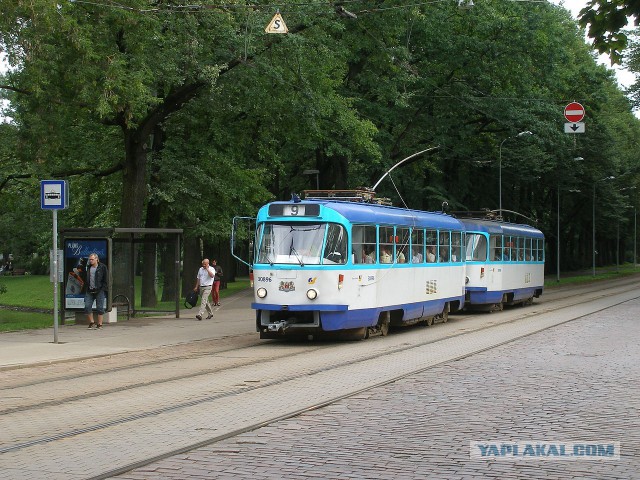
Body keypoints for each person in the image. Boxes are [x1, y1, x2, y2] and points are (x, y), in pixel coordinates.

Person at [82, 253, 108, 330]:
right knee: (87, 306)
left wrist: (103, 288)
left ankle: (99, 324)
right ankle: (92, 322)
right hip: (90, 290)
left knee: (100, 307)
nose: (91, 261)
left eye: (92, 259)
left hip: (99, 290)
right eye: (90, 259)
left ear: (97, 259)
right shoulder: (88, 268)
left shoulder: (102, 267)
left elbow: (106, 279)